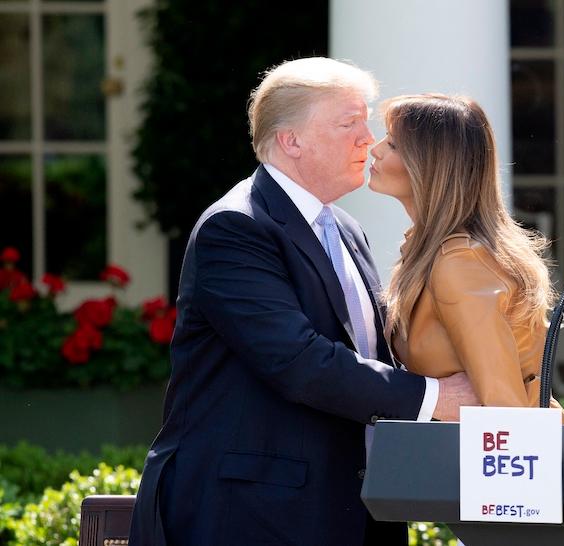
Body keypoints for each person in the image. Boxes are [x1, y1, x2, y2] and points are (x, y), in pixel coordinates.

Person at [128, 59, 479, 546]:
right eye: (347, 123)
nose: (368, 139)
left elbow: (367, 357)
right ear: (291, 140)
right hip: (251, 516)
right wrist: (438, 397)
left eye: (366, 120)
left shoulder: (345, 229)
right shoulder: (235, 227)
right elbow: (299, 361)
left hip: (346, 510)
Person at [369, 93, 564, 421]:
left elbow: (505, 408)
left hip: (495, 460)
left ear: (431, 165)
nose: (375, 149)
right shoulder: (435, 252)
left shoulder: (459, 262)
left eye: (392, 144)